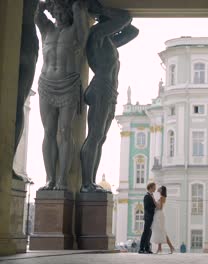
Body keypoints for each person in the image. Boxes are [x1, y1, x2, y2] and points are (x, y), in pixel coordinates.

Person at [80, 1, 139, 193]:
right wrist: (102, 10)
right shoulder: (97, 35)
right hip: (100, 88)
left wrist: (110, 16)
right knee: (95, 136)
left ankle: (91, 181)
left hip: (110, 91)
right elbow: (125, 19)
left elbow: (132, 31)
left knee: (101, 137)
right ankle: (86, 183)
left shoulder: (109, 41)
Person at [35, 0, 88, 190]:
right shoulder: (47, 29)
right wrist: (45, 4)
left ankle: (62, 180)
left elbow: (83, 32)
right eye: (56, 11)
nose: (59, 15)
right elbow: (36, 12)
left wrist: (75, 8)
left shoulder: (76, 31)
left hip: (69, 84)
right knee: (48, 132)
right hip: (46, 85)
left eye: (62, 10)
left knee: (65, 132)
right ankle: (50, 178)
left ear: (69, 11)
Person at [14, 0, 39, 181]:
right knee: (17, 105)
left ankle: (8, 163)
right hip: (27, 39)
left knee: (17, 104)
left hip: (27, 40)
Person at [150, 186, 176, 254]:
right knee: (160, 231)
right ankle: (160, 248)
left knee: (162, 231)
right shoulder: (161, 197)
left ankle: (171, 247)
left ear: (161, 190)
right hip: (159, 214)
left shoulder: (161, 197)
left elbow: (160, 207)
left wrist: (153, 200)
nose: (158, 188)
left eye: (159, 188)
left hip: (159, 214)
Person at [139, 182, 157, 254]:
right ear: (150, 187)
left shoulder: (152, 195)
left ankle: (147, 248)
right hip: (148, 217)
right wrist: (155, 209)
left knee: (149, 233)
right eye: (154, 187)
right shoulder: (147, 196)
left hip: (151, 217)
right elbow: (147, 208)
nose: (155, 188)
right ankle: (141, 248)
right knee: (145, 233)